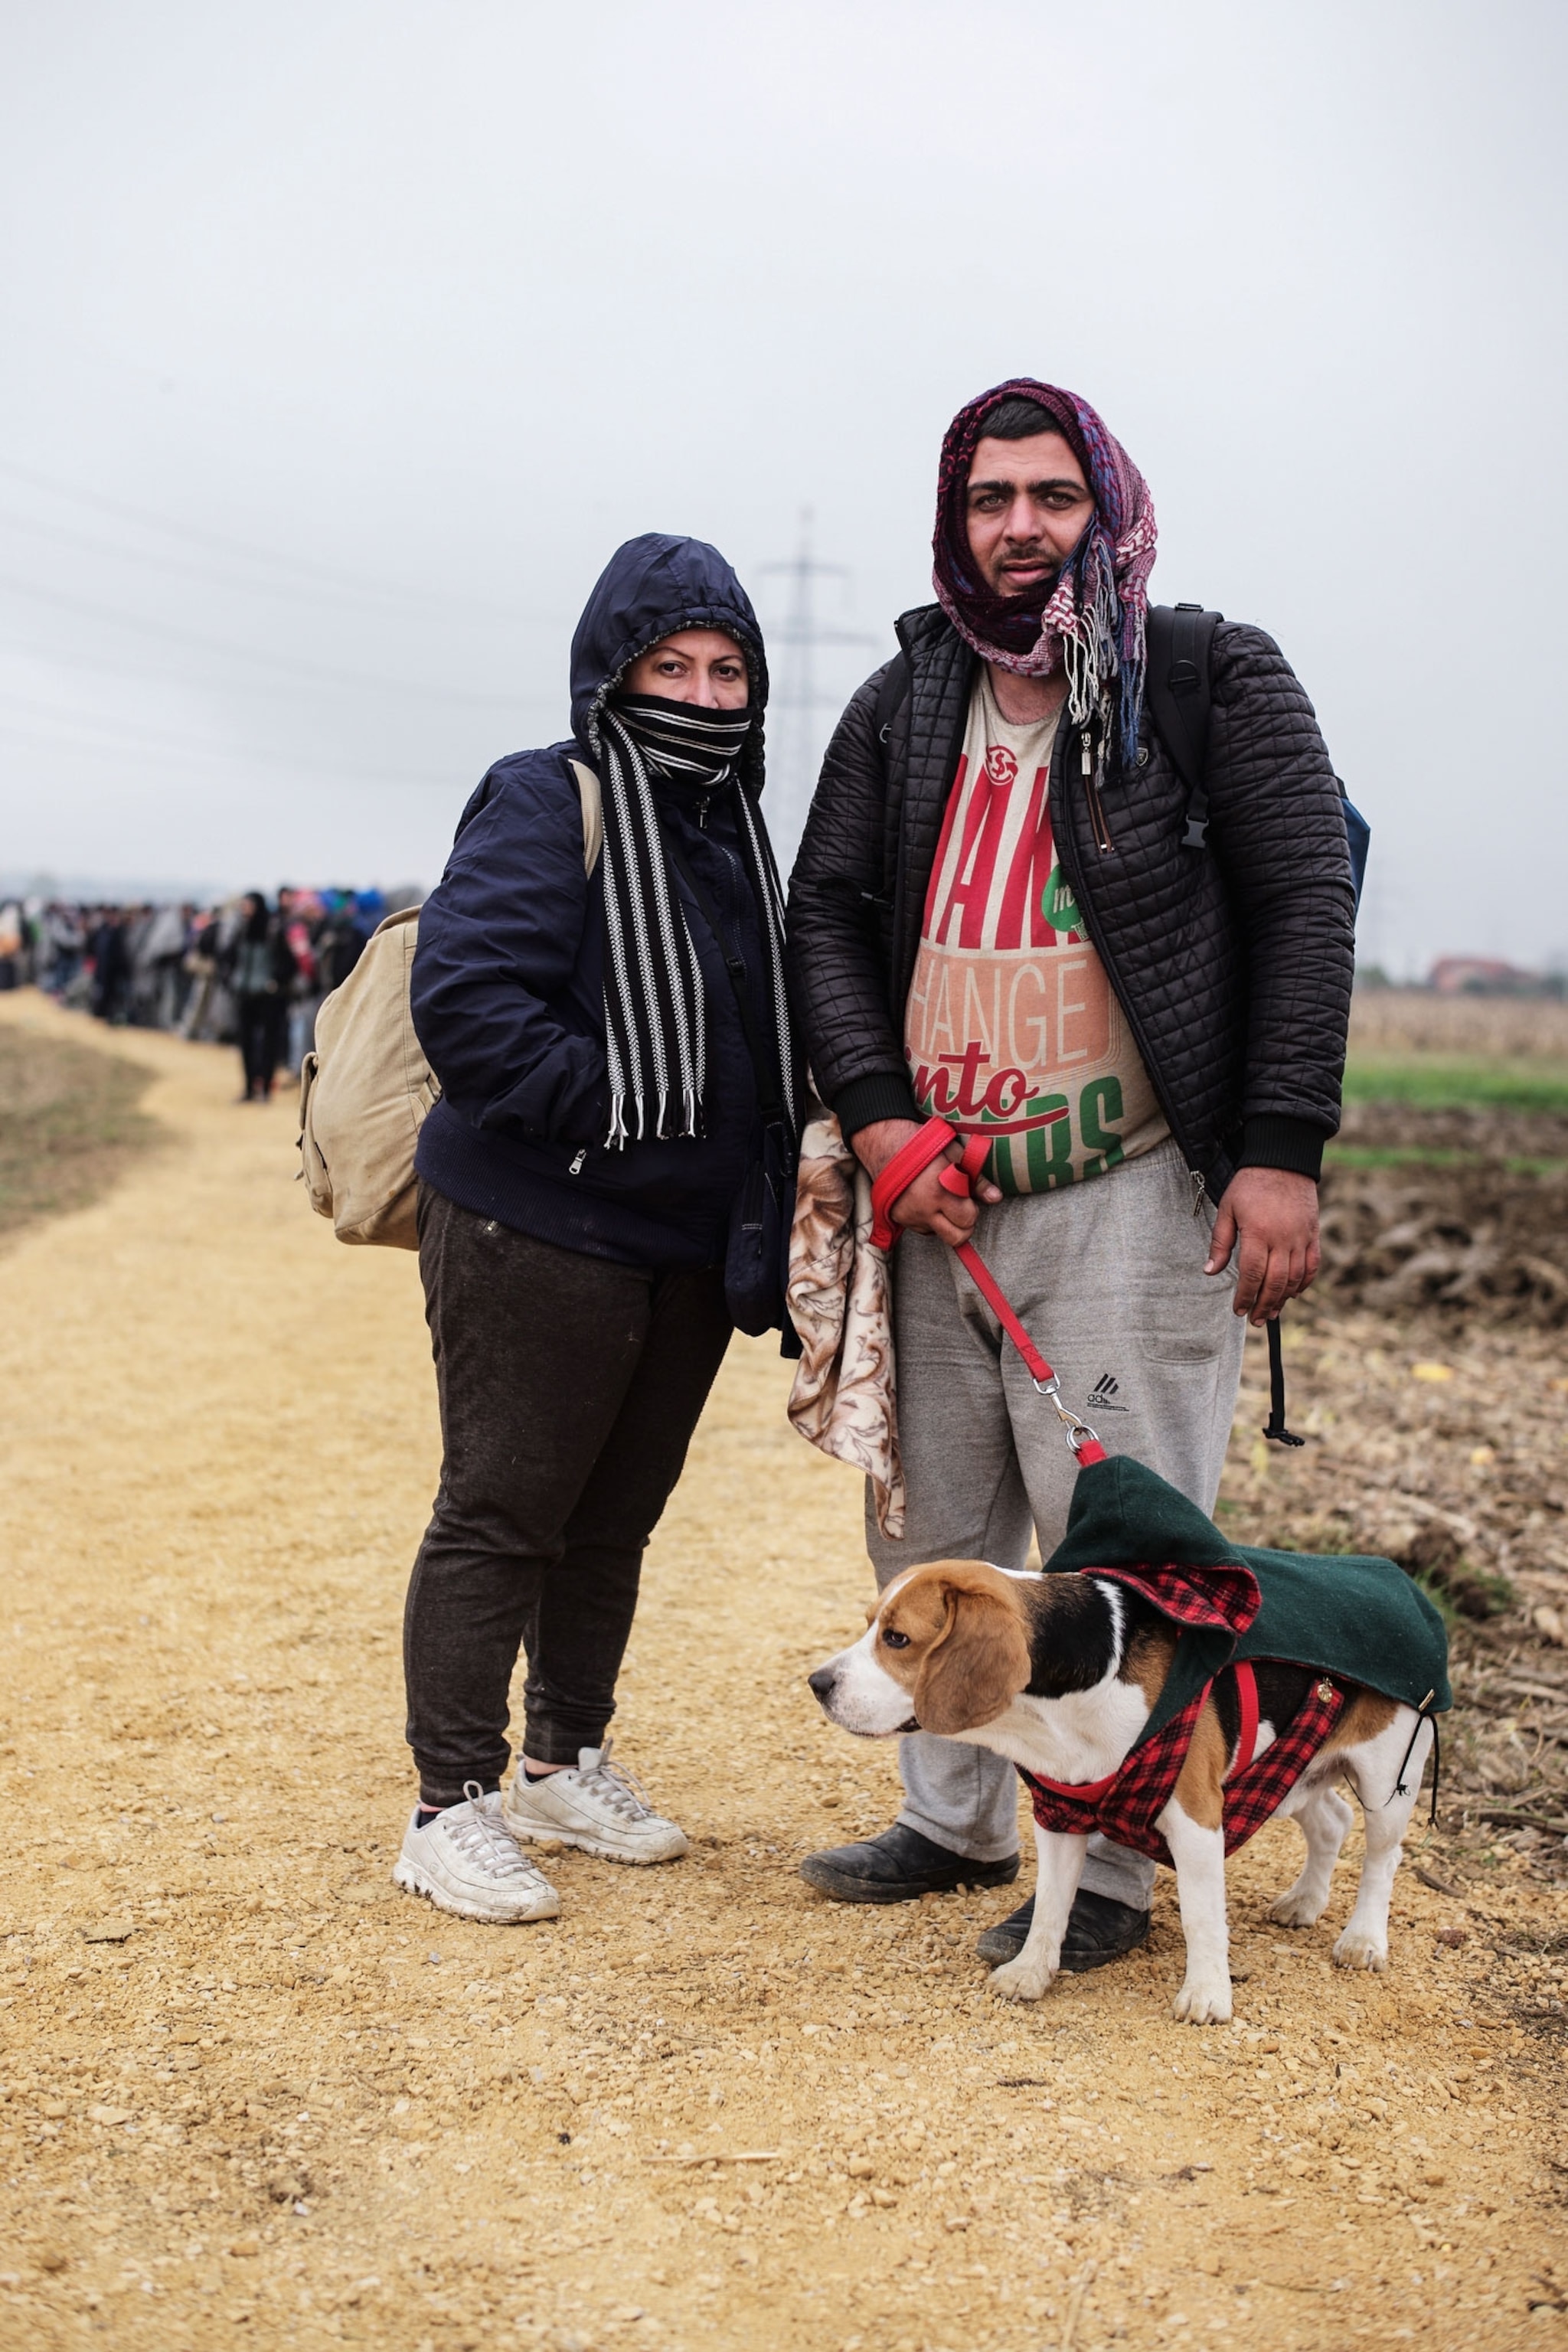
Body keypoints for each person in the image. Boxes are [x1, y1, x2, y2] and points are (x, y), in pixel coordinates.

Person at [786, 379, 1354, 1969]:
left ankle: (1105, 1876)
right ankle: (952, 1821)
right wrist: (885, 1121)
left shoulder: (1207, 679)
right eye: (989, 499)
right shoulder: (904, 699)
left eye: (1050, 497)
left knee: (1120, 1543)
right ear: (953, 518)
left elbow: (1306, 899)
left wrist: (1279, 1154)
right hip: (937, 1197)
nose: (1019, 527)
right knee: (932, 1532)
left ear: (1103, 509)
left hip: (1130, 1182)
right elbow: (822, 913)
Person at [396, 533, 796, 1925]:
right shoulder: (542, 795)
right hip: (539, 1221)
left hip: (683, 1244)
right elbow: (468, 1001)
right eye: (665, 667)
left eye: (724, 669)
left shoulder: (734, 834)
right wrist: (620, 1110)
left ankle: (561, 1759)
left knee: (613, 1517)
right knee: (503, 1509)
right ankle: (448, 1800)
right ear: (606, 679)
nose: (696, 695)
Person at [223, 892, 296, 1100]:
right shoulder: (241, 931)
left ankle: (264, 1087)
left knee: (268, 1043)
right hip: (245, 995)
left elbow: (289, 963)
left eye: (248, 905)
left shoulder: (273, 931)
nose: (245, 910)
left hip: (268, 997)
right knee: (246, 1042)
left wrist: (275, 982)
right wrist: (231, 980)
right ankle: (248, 1088)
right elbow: (227, 957)